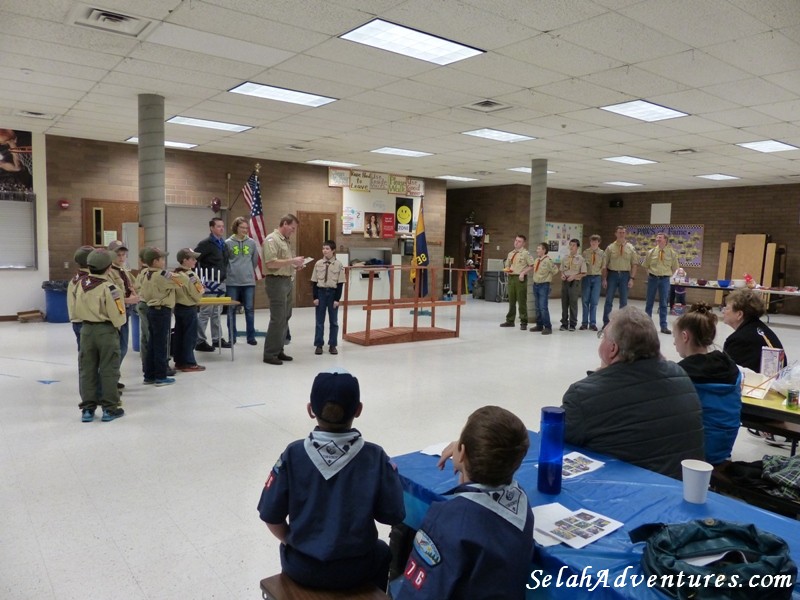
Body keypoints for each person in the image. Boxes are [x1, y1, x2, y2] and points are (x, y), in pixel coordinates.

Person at [257, 368, 405, 590]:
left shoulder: (293, 454)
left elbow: (270, 515)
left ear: (310, 410)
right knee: (383, 551)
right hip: (356, 568)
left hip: (302, 567)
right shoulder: (375, 457)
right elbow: (393, 514)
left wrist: (295, 542)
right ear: (358, 410)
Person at [393, 406, 534, 599]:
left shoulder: (447, 520)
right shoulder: (521, 502)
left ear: (462, 453)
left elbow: (421, 593)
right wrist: (466, 456)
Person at [562, 306, 704, 479]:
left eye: (603, 337)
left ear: (612, 349)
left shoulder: (583, 395)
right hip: (681, 489)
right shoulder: (680, 375)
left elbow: (549, 443)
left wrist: (598, 379)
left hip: (618, 497)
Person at [673, 302, 741, 465]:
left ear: (684, 337)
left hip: (696, 454)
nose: (674, 343)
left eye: (675, 337)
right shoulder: (731, 367)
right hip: (723, 449)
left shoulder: (681, 375)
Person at [73, 249, 126, 423]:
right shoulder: (110, 288)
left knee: (87, 369)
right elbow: (118, 315)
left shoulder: (79, 283)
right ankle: (109, 409)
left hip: (86, 330)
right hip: (105, 331)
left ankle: (87, 409)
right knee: (108, 369)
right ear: (109, 268)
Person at [262, 214, 306, 366]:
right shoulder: (271, 240)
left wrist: (295, 265)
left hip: (286, 281)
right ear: (285, 224)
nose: (293, 231)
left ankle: (278, 349)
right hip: (276, 282)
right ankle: (270, 353)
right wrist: (292, 261)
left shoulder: (285, 241)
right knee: (278, 318)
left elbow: (284, 262)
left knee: (286, 316)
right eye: (292, 228)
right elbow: (271, 263)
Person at [139, 247, 181, 386]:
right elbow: (180, 283)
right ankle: (160, 376)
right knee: (161, 344)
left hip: (151, 309)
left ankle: (149, 375)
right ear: (155, 261)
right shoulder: (161, 275)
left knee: (152, 343)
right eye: (162, 259)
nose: (164, 261)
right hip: (161, 310)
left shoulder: (146, 274)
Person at [722, 288, 787, 373]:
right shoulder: (760, 328)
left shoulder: (739, 340)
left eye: (726, 308)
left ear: (739, 314)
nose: (723, 311)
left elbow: (726, 373)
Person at [106, 240, 139, 389]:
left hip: (126, 311)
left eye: (123, 255)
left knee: (122, 347)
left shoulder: (123, 270)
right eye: (118, 255)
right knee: (118, 348)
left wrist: (134, 291)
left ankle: (113, 376)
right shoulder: (109, 273)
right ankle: (109, 378)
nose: (121, 258)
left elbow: (133, 285)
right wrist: (128, 299)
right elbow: (110, 296)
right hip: (117, 313)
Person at [195, 217, 231, 352]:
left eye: (222, 226)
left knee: (217, 311)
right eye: (218, 226)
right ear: (211, 228)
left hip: (221, 280)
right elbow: (194, 258)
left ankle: (217, 338)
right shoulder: (206, 243)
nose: (221, 228)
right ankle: (200, 340)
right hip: (209, 282)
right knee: (206, 311)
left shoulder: (223, 243)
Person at [225, 216, 259, 346]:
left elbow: (254, 261)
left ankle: (251, 337)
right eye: (242, 227)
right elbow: (225, 260)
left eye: (246, 228)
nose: (245, 230)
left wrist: (249, 271)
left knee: (249, 309)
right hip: (232, 281)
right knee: (231, 310)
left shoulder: (251, 243)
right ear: (236, 228)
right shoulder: (228, 243)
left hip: (248, 282)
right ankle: (232, 337)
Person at [172, 248, 206, 372]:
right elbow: (196, 293)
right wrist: (202, 290)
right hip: (189, 307)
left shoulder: (175, 273)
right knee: (189, 336)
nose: (195, 261)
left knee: (179, 335)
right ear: (184, 260)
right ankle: (189, 362)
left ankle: (179, 361)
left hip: (179, 307)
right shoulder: (190, 275)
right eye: (192, 259)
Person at [311, 240, 345, 355]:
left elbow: (340, 284)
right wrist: (315, 297)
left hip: (332, 293)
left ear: (333, 250)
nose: (324, 251)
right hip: (321, 293)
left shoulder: (339, 265)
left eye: (327, 249)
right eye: (323, 248)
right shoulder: (318, 263)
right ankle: (319, 345)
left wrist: (337, 299)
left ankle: (332, 345)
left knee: (333, 321)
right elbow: (314, 282)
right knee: (319, 321)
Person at [601, 226, 638, 329]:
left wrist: (632, 278)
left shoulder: (631, 248)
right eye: (619, 232)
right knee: (609, 300)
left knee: (624, 301)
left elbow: (634, 264)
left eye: (623, 232)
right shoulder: (610, 248)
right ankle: (606, 322)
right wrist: (604, 279)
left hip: (625, 275)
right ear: (616, 234)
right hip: (612, 274)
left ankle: (622, 324)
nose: (621, 234)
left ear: (625, 234)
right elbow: (604, 265)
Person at [643, 233, 679, 334]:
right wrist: (650, 274)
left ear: (665, 240)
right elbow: (646, 265)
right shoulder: (651, 252)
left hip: (664, 280)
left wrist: (668, 275)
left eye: (660, 237)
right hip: (652, 279)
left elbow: (675, 267)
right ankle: (647, 326)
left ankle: (663, 326)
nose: (657, 239)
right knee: (649, 302)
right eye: (657, 237)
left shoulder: (672, 253)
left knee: (663, 303)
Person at [499, 234, 535, 330]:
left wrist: (523, 273)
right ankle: (510, 320)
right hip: (511, 278)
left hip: (520, 279)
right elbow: (507, 265)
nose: (516, 242)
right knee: (511, 300)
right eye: (516, 240)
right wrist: (507, 270)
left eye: (519, 241)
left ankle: (523, 322)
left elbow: (531, 265)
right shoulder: (510, 253)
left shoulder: (525, 254)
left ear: (523, 243)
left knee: (521, 301)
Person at [67, 245, 94, 349]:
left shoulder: (74, 280)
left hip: (76, 321)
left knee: (83, 353)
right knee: (91, 355)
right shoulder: (89, 282)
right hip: (87, 323)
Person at [530, 242, 559, 335]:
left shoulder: (548, 261)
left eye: (539, 248)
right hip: (536, 285)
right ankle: (539, 325)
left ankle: (548, 327)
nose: (537, 250)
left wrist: (548, 277)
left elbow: (555, 270)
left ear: (544, 250)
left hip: (544, 286)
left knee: (543, 307)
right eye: (537, 248)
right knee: (537, 307)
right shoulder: (537, 260)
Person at [559, 238, 586, 331]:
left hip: (574, 282)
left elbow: (584, 273)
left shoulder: (580, 259)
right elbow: (562, 270)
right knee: (564, 303)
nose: (571, 247)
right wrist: (562, 275)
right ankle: (564, 323)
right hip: (565, 281)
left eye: (573, 245)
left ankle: (573, 324)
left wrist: (574, 276)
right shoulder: (565, 257)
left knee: (573, 303)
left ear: (577, 247)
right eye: (570, 245)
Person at [580, 234, 604, 331]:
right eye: (592, 242)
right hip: (586, 277)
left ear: (599, 242)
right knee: (585, 301)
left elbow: (604, 267)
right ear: (590, 242)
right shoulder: (585, 253)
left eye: (596, 242)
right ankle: (584, 323)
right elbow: (581, 266)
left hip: (597, 277)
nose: (594, 243)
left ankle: (593, 323)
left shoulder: (602, 253)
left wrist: (604, 279)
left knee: (594, 302)